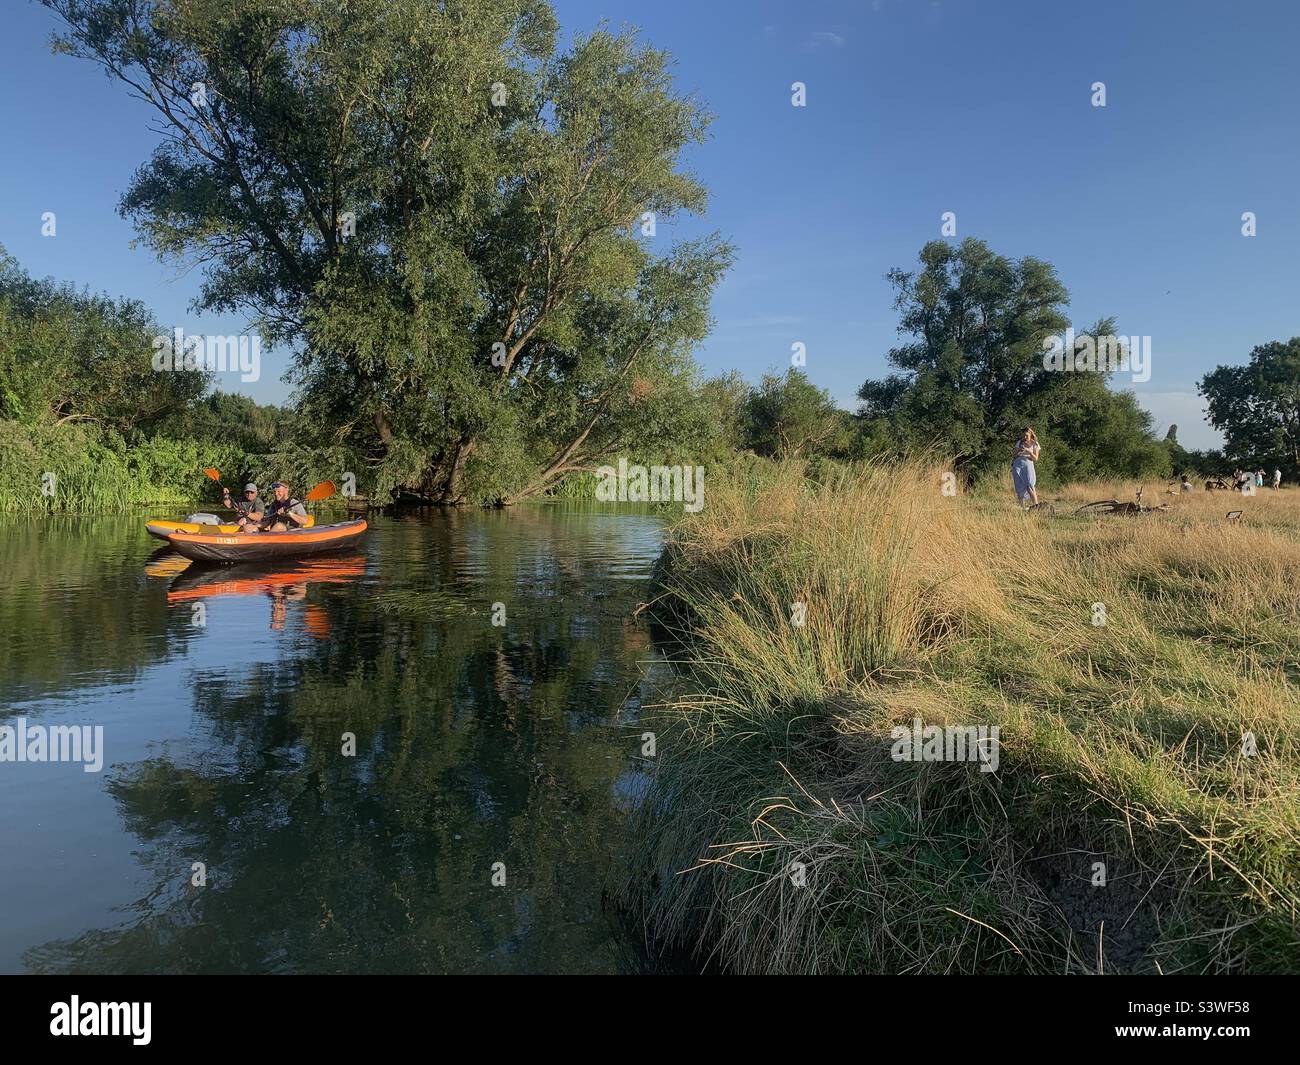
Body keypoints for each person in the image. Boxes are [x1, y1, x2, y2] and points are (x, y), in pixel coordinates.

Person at [1011, 427, 1041, 507]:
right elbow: (1013, 455)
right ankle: (1022, 507)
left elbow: (1036, 458)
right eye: (1023, 435)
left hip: (1028, 465)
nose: (1024, 437)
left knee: (1030, 485)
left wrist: (1029, 451)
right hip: (1017, 464)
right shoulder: (1019, 442)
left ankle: (1036, 505)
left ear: (1031, 435)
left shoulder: (1035, 444)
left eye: (1026, 436)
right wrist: (1018, 450)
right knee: (1019, 485)